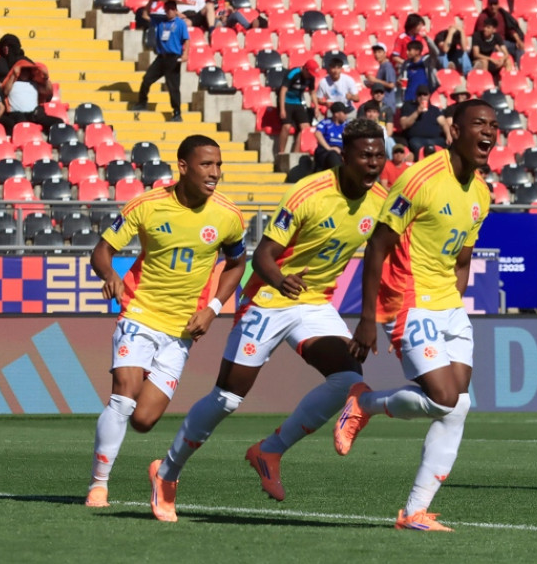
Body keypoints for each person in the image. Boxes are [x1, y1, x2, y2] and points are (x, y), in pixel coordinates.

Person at [147, 121, 387, 523]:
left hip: (314, 303)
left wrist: (369, 318)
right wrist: (279, 279)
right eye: (365, 155)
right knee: (227, 398)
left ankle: (270, 450)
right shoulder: (308, 193)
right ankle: (167, 472)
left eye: (379, 155)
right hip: (268, 299)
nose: (374, 163)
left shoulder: (381, 200)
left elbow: (379, 256)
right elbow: (261, 257)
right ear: (344, 157)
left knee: (347, 379)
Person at [334, 99, 496, 532]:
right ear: (454, 131)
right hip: (408, 297)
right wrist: (368, 317)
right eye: (479, 124)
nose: (489, 132)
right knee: (444, 398)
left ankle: (414, 512)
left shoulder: (481, 193)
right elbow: (378, 245)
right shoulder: (420, 178)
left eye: (494, 125)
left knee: (458, 404)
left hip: (447, 304)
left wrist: (454, 303)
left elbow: (463, 259)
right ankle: (364, 403)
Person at [84, 135, 247, 509]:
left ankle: (154, 468)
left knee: (143, 420)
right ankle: (98, 486)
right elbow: (102, 251)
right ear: (184, 167)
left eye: (218, 165)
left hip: (182, 330)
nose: (215, 173)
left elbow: (237, 264)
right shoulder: (147, 205)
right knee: (124, 395)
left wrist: (214, 308)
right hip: (139, 312)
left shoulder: (228, 215)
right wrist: (109, 274)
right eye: (206, 165)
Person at [133, 0, 189, 122]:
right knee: (147, 79)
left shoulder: (180, 23)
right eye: (167, 8)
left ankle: (177, 112)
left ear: (176, 10)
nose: (169, 11)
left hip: (173, 58)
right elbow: (145, 15)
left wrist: (185, 54)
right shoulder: (160, 21)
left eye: (172, 9)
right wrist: (151, 1)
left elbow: (186, 39)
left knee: (173, 86)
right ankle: (142, 102)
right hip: (161, 57)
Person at [0, 60, 63, 136]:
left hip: (33, 114)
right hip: (17, 114)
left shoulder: (34, 83)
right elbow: (5, 92)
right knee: (21, 122)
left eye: (27, 71)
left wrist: (46, 78)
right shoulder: (12, 83)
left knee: (58, 122)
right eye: (23, 70)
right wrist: (13, 75)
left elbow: (47, 91)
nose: (25, 73)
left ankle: (53, 140)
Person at [277, 59, 320, 155]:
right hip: (286, 101)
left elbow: (312, 92)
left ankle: (295, 154)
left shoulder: (311, 77)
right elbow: (283, 91)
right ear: (305, 69)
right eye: (309, 73)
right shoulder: (293, 73)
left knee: (305, 128)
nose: (310, 75)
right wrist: (282, 109)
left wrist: (316, 106)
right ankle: (281, 152)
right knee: (286, 126)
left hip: (298, 102)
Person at [399, 85, 451, 157]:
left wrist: (448, 135)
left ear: (429, 96)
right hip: (417, 140)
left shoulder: (434, 109)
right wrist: (417, 112)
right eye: (419, 94)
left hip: (435, 140)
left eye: (425, 94)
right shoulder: (408, 107)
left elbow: (444, 123)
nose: (422, 97)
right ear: (416, 96)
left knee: (447, 144)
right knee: (416, 144)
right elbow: (403, 125)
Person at [473, 0, 525, 66]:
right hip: (490, 44)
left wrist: (518, 40)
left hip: (503, 42)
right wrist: (494, 44)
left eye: (495, 4)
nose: (493, 6)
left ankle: (520, 68)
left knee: (519, 48)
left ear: (498, 4)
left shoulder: (503, 14)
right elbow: (482, 34)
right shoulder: (483, 17)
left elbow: (511, 29)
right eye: (491, 4)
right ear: (487, 5)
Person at [314, 102, 349, 170]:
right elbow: (318, 134)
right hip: (326, 151)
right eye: (344, 113)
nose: (346, 115)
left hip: (342, 151)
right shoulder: (325, 123)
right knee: (333, 155)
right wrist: (329, 148)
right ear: (336, 114)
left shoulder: (347, 125)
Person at [363, 43, 397, 110]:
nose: (376, 54)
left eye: (379, 52)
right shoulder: (382, 66)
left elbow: (391, 85)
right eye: (375, 52)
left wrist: (375, 80)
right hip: (382, 102)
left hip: (387, 103)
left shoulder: (387, 66)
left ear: (385, 53)